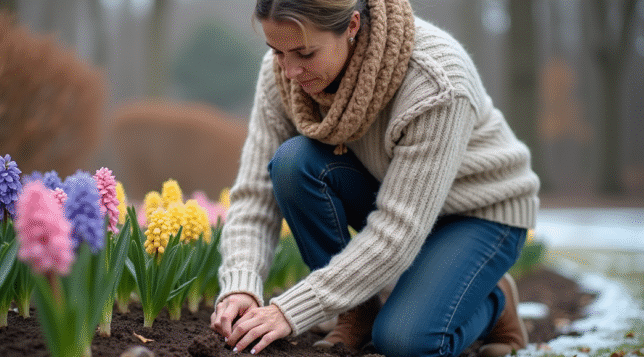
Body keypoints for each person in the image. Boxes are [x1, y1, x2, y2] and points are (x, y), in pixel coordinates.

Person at [210, 0, 540, 356]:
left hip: (478, 213)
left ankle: (494, 301)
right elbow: (256, 193)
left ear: (352, 26)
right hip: (390, 189)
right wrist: (240, 286)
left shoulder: (436, 82)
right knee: (293, 163)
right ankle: (356, 312)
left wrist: (289, 311)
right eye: (277, 51)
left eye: (305, 53)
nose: (290, 70)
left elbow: (399, 229)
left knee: (405, 343)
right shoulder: (282, 74)